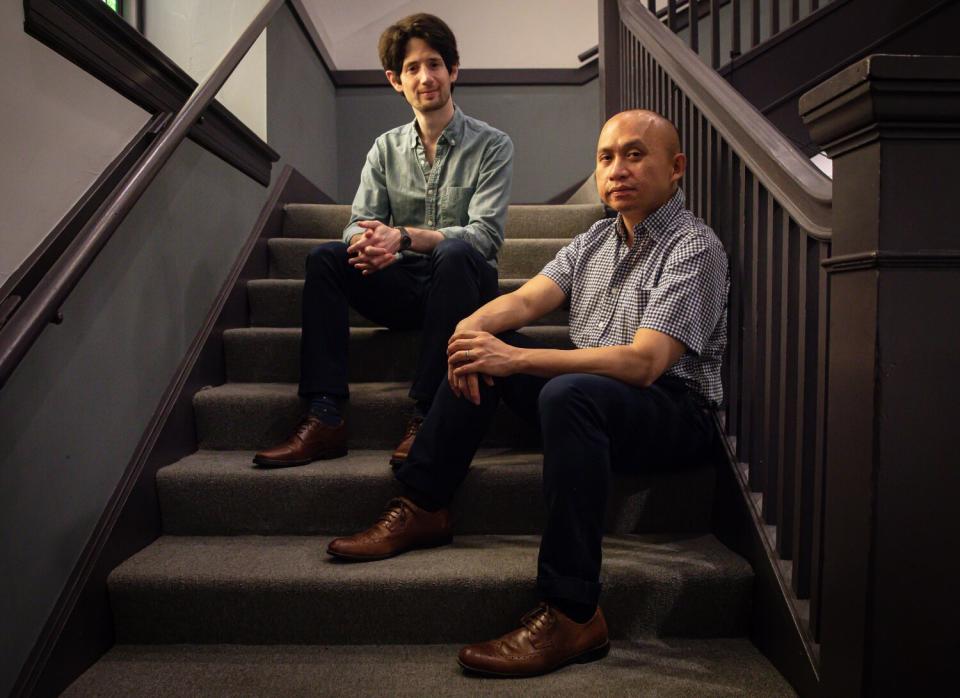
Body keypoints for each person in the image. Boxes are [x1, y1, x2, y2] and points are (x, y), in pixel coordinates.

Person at [325, 108, 730, 677]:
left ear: (676, 167)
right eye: (606, 157)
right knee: (487, 347)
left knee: (564, 391)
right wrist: (470, 331)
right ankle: (424, 504)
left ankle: (572, 611)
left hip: (671, 412)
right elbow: (525, 301)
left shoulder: (694, 248)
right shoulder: (594, 239)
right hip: (592, 400)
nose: (618, 169)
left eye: (635, 154)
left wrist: (513, 356)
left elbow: (643, 364)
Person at [253, 14, 513, 468]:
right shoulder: (384, 149)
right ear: (396, 80)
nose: (425, 77)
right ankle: (325, 415)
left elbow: (485, 237)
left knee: (455, 251)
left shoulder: (492, 145)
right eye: (412, 68)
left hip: (465, 290)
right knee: (326, 259)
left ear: (453, 70)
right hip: (405, 287)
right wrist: (367, 243)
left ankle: (429, 414)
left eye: (434, 64)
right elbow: (358, 221)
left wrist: (405, 237)